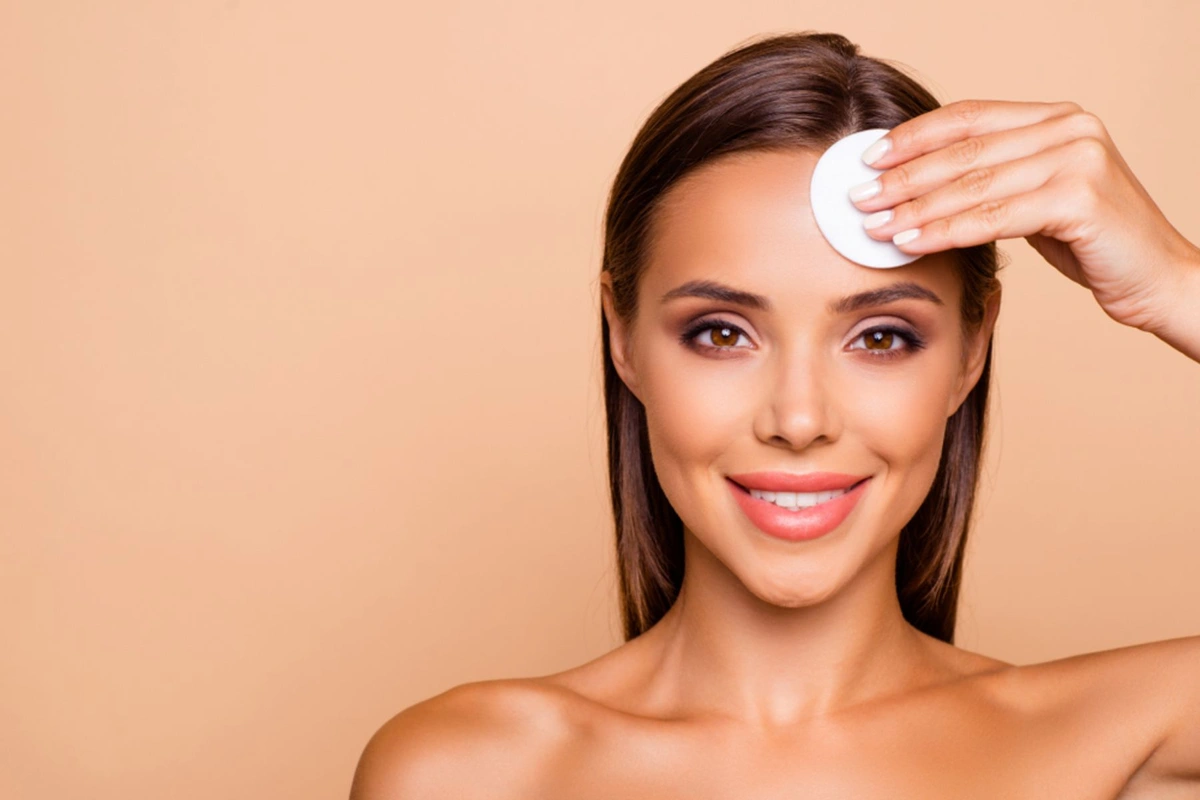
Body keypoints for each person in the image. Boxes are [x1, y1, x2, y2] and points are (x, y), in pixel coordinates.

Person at [350, 32, 1200, 797]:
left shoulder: (1112, 740)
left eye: (880, 337)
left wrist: (1176, 283)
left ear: (971, 352)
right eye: (721, 333)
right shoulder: (465, 771)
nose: (799, 419)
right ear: (624, 339)